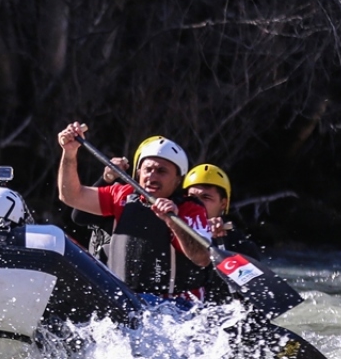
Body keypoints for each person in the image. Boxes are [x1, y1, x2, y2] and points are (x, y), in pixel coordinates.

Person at [55, 122, 212, 305]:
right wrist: (69, 153)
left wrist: (173, 222)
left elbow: (202, 258)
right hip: (126, 299)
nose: (152, 177)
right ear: (138, 173)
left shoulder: (190, 209)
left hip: (174, 306)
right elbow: (71, 196)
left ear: (177, 180)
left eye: (162, 171)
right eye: (148, 170)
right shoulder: (122, 195)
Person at [183, 163, 261, 304]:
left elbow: (256, 296)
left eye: (206, 198)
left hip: (218, 316)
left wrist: (215, 241)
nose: (197, 203)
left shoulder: (240, 244)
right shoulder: (174, 229)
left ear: (223, 204)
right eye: (192, 197)